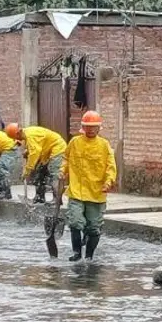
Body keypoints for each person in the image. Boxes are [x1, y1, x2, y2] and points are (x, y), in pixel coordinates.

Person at [59, 111, 117, 261]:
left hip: (96, 192)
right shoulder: (75, 142)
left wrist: (108, 182)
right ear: (83, 127)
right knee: (75, 222)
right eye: (87, 126)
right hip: (76, 191)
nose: (90, 130)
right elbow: (66, 158)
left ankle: (89, 257)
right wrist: (62, 171)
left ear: (99, 128)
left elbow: (111, 166)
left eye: (93, 127)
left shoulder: (104, 145)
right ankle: (77, 253)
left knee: (93, 228)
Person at [7, 122, 66, 204]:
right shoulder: (27, 134)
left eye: (15, 138)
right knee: (40, 173)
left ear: (17, 133)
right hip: (47, 151)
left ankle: (57, 200)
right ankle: (39, 197)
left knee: (54, 173)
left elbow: (35, 153)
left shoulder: (30, 135)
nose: (17, 140)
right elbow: (36, 145)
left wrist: (27, 171)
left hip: (58, 149)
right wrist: (27, 152)